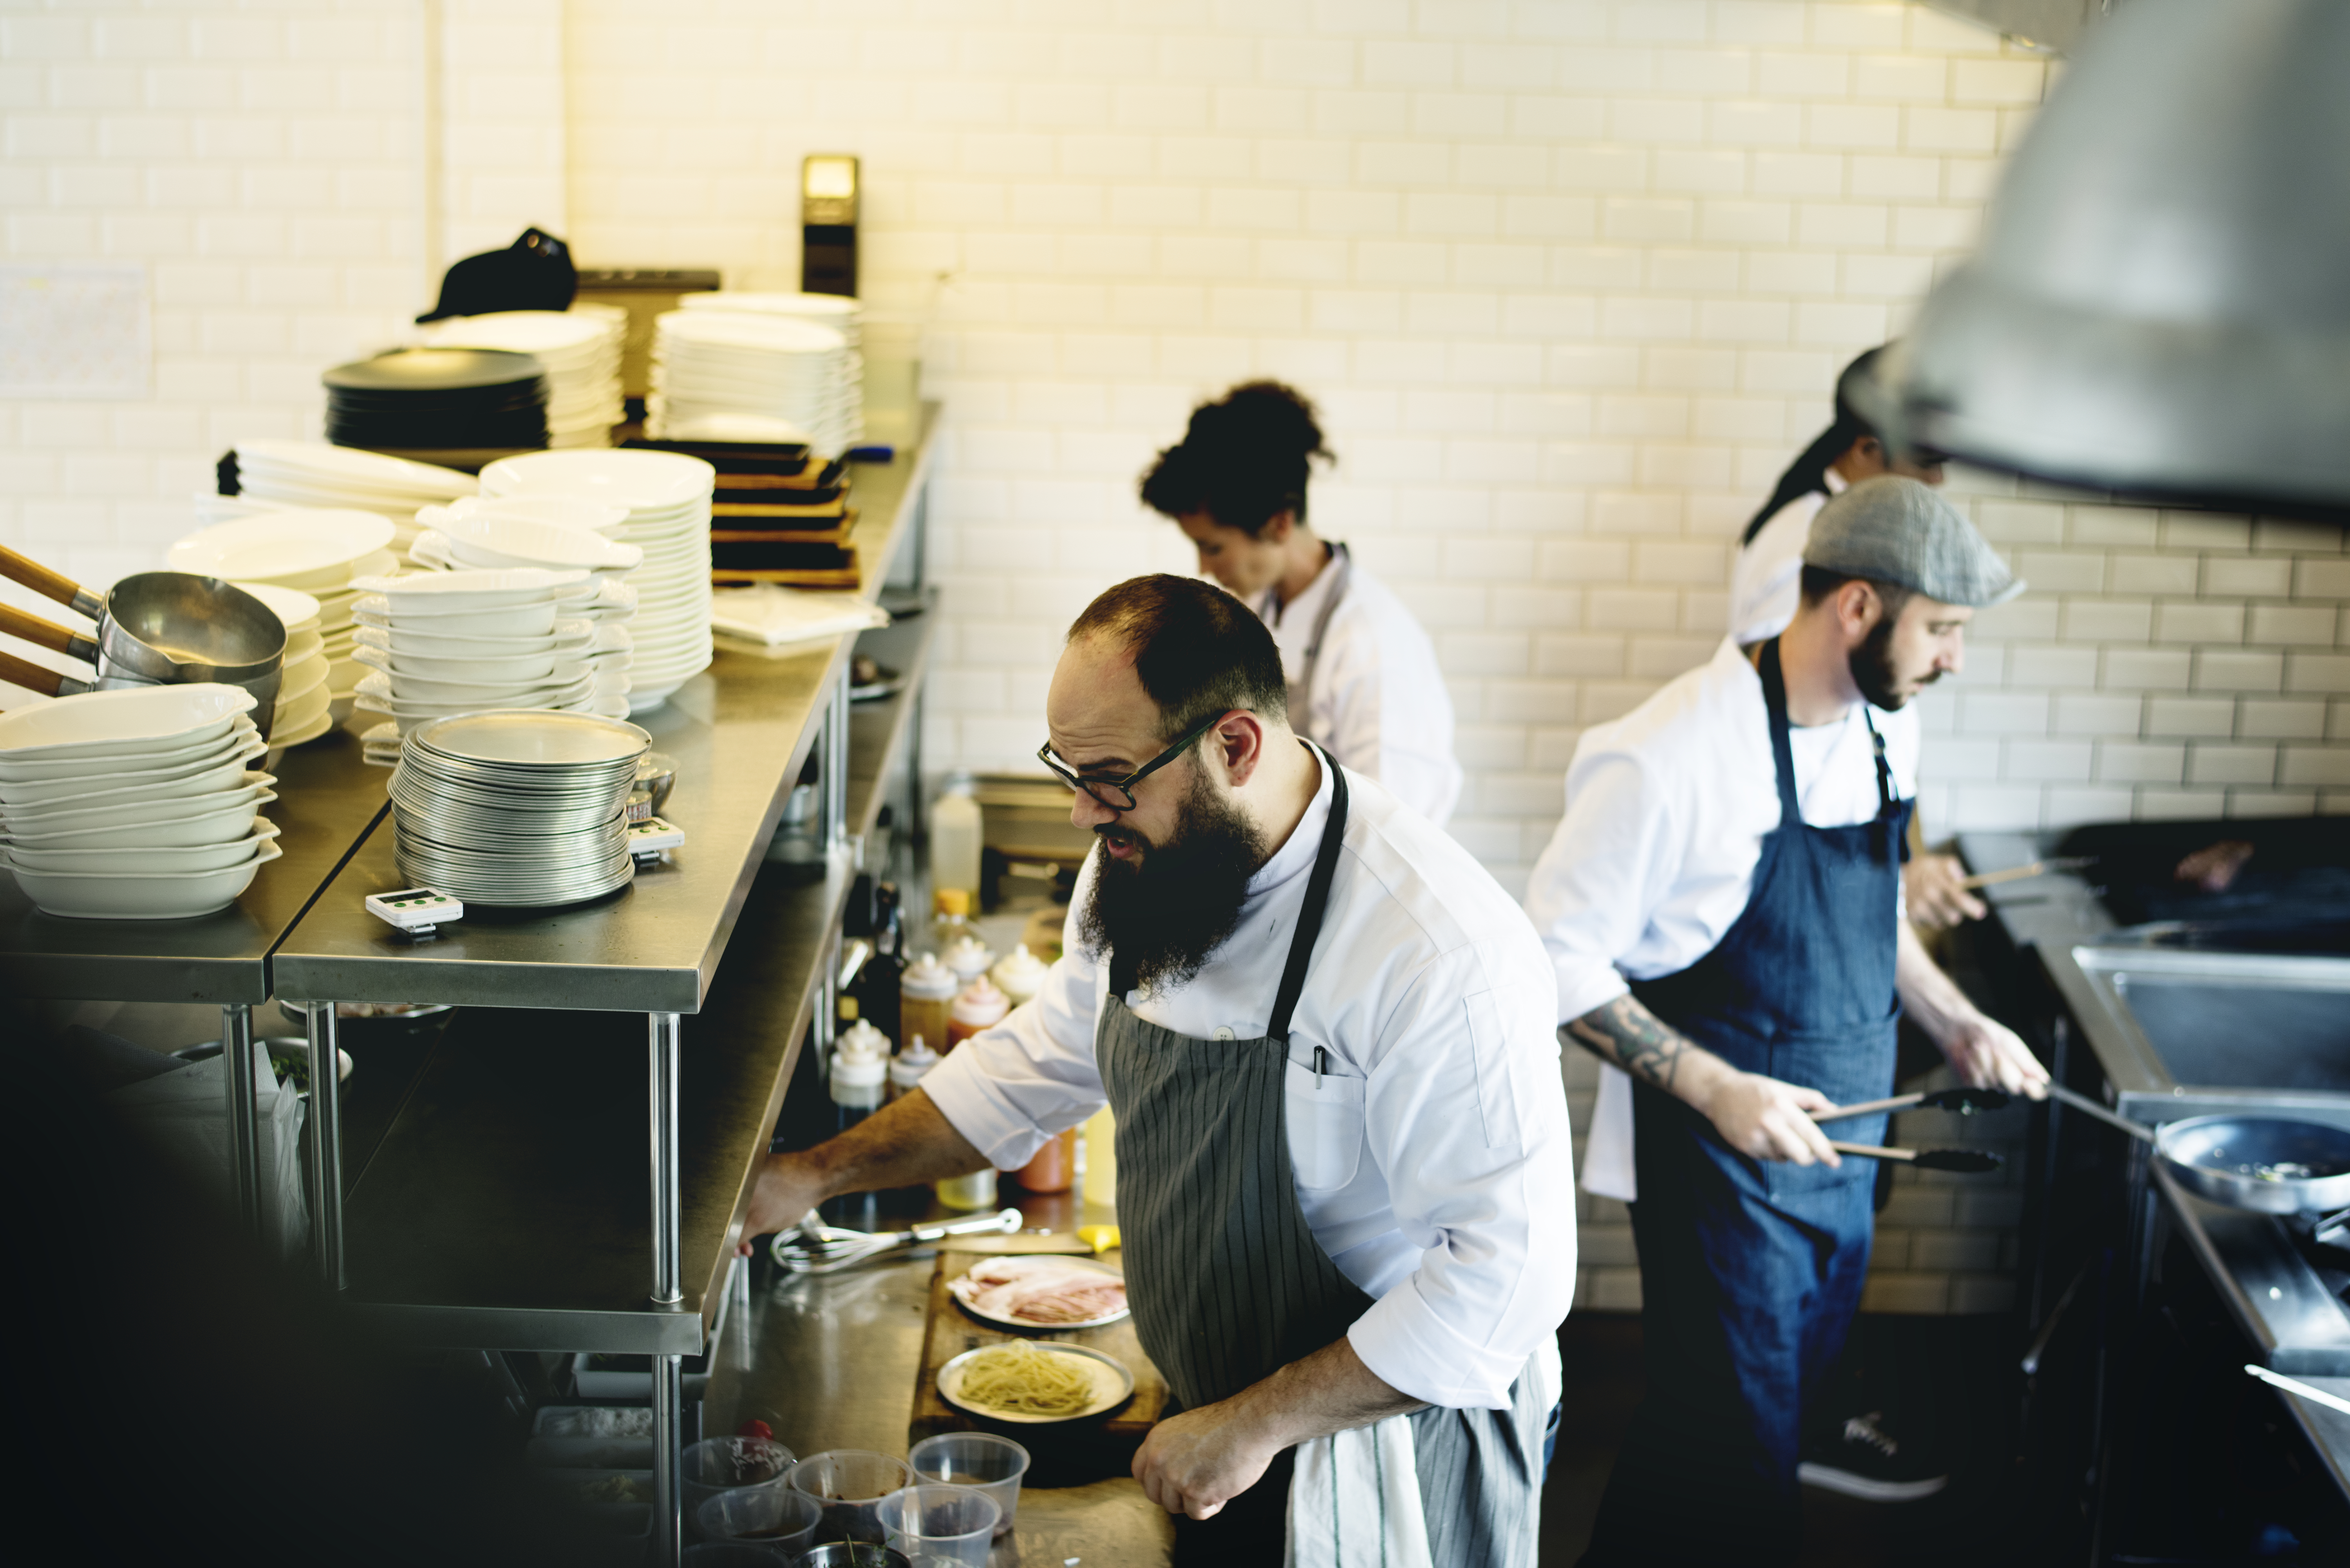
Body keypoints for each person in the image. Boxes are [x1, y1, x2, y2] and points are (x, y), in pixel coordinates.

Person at [741, 574, 1573, 1566]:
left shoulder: (1437, 952)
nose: (1085, 815)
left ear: (1234, 746)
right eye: (1069, 772)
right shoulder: (1148, 857)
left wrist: (1257, 1423)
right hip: (1213, 1422)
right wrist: (815, 1173)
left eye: (1110, 776)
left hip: (1383, 1444)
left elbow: (1504, 1285)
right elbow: (1047, 1057)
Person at [1522, 478, 2052, 1566]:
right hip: (1722, 1170)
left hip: (1840, 1159)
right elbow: (1554, 959)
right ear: (1857, 607)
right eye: (1943, 629)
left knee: (1727, 1440)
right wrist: (1720, 1088)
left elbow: (1872, 918)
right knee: (1742, 1462)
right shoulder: (1669, 753)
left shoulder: (1883, 733)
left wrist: (1957, 1020)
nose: (1957, 657)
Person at [1735, 344, 1985, 934]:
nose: (1939, 479)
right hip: (1809, 858)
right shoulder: (1803, 544)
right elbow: (1800, 718)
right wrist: (1896, 872)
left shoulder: (1846, 527)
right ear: (1867, 450)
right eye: (1927, 461)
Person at [1139, 381, 1465, 826]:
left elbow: (1394, 827)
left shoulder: (1371, 644)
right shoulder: (1261, 609)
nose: (1203, 567)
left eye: (1213, 547)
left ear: (1279, 524)